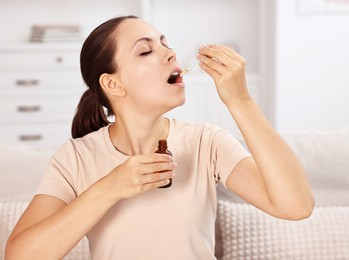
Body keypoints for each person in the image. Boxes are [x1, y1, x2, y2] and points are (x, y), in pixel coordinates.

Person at [5, 15, 314, 260]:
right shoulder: (76, 158)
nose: (170, 53)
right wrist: (110, 188)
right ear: (113, 84)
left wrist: (241, 101)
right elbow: (20, 256)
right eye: (146, 50)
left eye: (165, 43)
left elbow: (296, 206)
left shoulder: (206, 143)